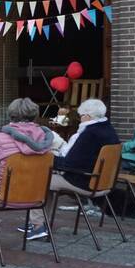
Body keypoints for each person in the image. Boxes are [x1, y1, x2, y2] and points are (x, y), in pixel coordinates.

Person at [20, 98, 118, 240]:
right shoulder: (108, 129)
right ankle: (39, 222)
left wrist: (47, 158)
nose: (79, 119)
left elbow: (69, 164)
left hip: (84, 180)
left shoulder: (89, 134)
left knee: (40, 178)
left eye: (80, 116)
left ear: (87, 116)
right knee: (47, 177)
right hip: (102, 180)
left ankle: (38, 225)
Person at [0, 98, 54, 250]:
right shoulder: (46, 137)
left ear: (11, 115)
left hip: (5, 196)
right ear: (35, 115)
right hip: (37, 196)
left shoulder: (1, 138)